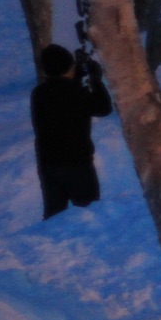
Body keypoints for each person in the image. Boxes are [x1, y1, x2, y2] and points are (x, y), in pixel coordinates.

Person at [31, 44, 114, 219]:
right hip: (77, 163)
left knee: (54, 214)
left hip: (48, 164)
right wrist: (95, 81)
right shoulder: (77, 93)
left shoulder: (39, 93)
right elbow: (104, 108)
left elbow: (61, 96)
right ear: (69, 67)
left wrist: (76, 80)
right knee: (89, 213)